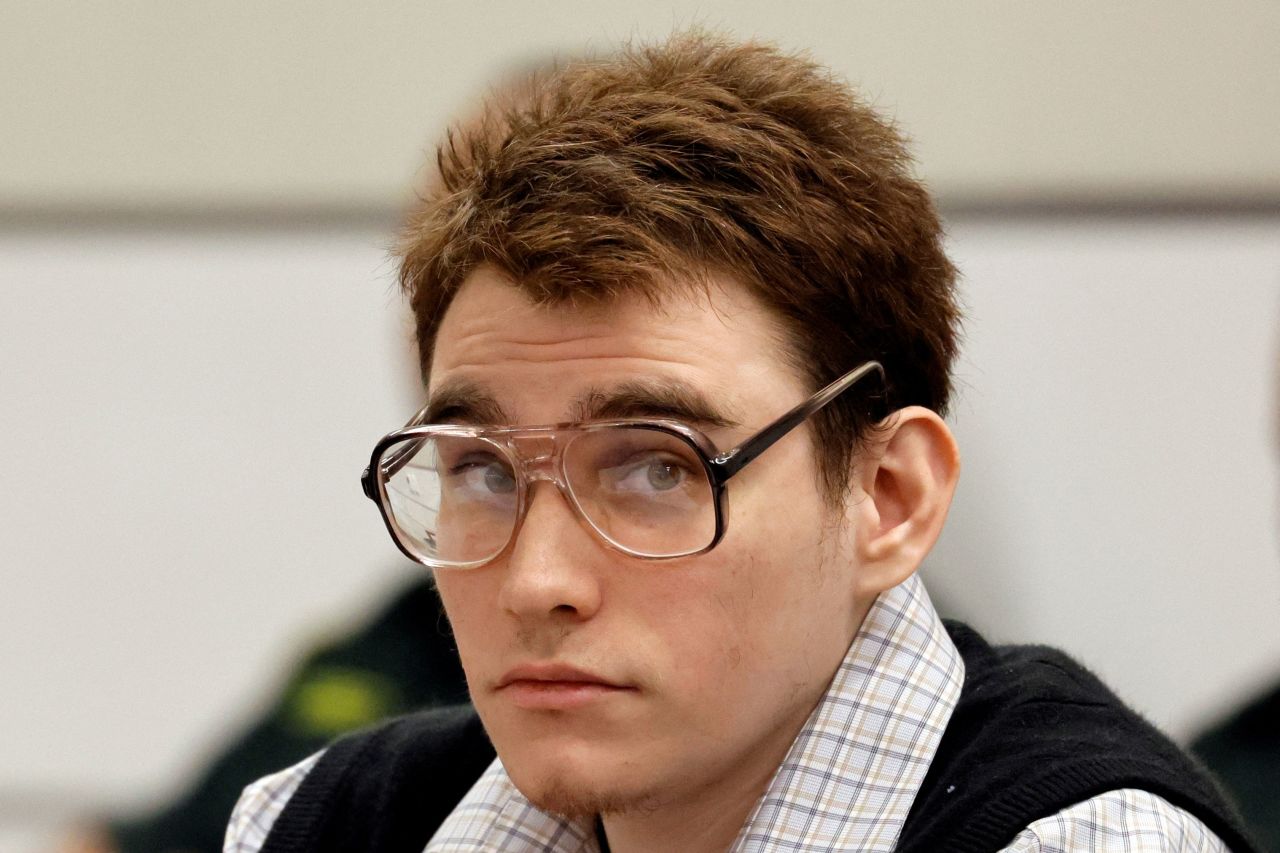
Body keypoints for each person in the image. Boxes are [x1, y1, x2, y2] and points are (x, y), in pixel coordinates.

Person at [225, 32, 1258, 852]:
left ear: (887, 497)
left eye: (655, 466)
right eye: (482, 469)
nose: (534, 581)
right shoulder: (322, 822)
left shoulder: (1079, 841)